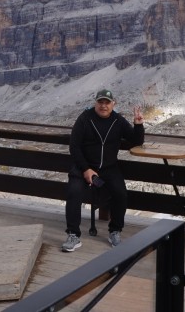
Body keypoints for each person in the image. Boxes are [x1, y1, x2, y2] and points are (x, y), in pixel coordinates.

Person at [62, 88, 145, 252]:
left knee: (120, 194)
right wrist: (86, 169)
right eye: (100, 102)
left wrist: (138, 124)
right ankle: (73, 234)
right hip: (84, 166)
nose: (103, 106)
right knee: (74, 191)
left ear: (113, 104)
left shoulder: (118, 120)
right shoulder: (85, 118)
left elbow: (136, 140)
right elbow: (74, 146)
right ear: (95, 103)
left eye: (107, 102)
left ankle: (115, 231)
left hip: (109, 168)